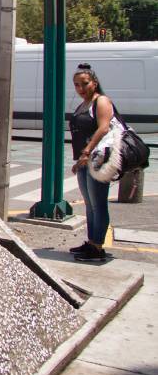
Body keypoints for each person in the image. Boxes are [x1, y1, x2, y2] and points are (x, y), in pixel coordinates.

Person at [68, 63, 114, 262]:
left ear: (94, 83)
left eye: (84, 84)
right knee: (89, 204)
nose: (80, 88)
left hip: (98, 160)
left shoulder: (101, 101)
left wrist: (87, 151)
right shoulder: (83, 104)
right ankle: (92, 242)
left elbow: (104, 128)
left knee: (98, 204)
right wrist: (80, 159)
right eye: (77, 85)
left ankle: (97, 247)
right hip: (84, 161)